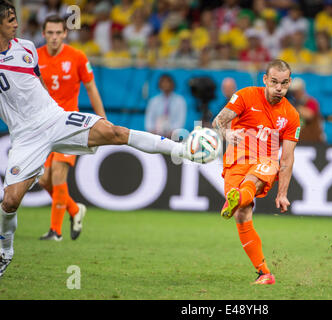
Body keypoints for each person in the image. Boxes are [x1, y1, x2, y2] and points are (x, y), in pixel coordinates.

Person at [0, 1, 196, 278]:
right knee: (9, 202)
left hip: (55, 118)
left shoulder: (27, 49)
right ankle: (5, 251)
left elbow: (37, 83)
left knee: (115, 133)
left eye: (15, 18)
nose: (15, 24)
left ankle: (184, 150)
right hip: (25, 137)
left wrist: (81, 114)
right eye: (9, 19)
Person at [212, 59, 301, 285]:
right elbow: (219, 121)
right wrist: (227, 134)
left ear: (289, 83)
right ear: (265, 80)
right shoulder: (246, 95)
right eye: (274, 82)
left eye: (284, 83)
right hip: (236, 160)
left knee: (252, 182)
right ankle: (265, 273)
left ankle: (237, 198)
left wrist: (282, 193)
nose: (278, 88)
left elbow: (287, 158)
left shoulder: (291, 115)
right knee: (242, 214)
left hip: (265, 160)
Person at [36, 15, 107, 242]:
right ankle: (75, 210)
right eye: (50, 33)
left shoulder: (76, 56)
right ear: (44, 34)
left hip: (69, 125)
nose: (54, 37)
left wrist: (102, 119)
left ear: (65, 34)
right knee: (43, 180)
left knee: (58, 173)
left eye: (58, 33)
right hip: (44, 125)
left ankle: (55, 231)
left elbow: (91, 88)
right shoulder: (34, 58)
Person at [288, 78, 326, 143]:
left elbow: (309, 115)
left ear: (302, 90)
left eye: (296, 91)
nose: (294, 94)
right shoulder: (291, 104)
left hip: (314, 141)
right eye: (292, 92)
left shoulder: (311, 102)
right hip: (299, 142)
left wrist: (296, 106)